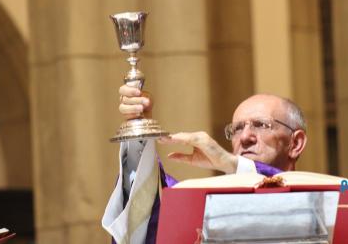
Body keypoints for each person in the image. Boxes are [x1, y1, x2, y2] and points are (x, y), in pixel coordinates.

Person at [102, 85, 307, 244]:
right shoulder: (204, 206)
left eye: (261, 125)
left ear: (295, 143)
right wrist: (140, 131)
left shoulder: (324, 203)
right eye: (236, 129)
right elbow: (147, 215)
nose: (244, 137)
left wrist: (230, 163)